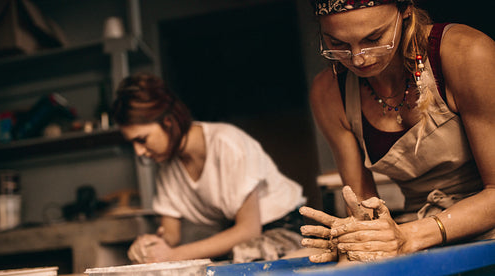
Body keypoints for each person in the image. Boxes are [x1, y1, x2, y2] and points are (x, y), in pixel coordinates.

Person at [299, 0, 495, 263]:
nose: (358, 58)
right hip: (414, 227)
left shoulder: (466, 53)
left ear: (406, 9)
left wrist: (411, 236)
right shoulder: (329, 92)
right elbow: (362, 208)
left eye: (374, 38)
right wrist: (360, 240)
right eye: (338, 44)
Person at [111, 72, 307, 263]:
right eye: (133, 143)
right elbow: (171, 236)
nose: (138, 151)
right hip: (237, 236)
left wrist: (173, 255)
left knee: (243, 257)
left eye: (142, 139)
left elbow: (248, 230)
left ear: (168, 121)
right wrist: (152, 245)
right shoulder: (166, 168)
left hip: (285, 228)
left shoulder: (227, 143)